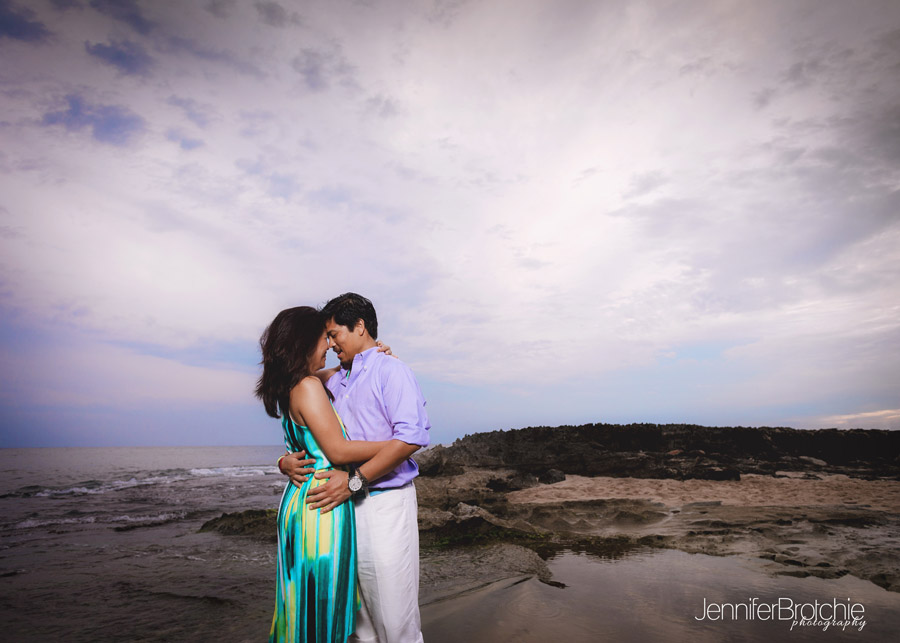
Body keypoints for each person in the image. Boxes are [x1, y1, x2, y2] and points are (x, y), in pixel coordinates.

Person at [279, 293, 430, 643]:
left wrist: (355, 481)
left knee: (396, 620)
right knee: (358, 623)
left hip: (384, 505)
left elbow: (410, 436)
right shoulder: (332, 380)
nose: (330, 344)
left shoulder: (393, 371)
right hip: (343, 510)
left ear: (359, 327)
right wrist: (284, 460)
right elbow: (306, 429)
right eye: (327, 337)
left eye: (335, 335)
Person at [256, 306, 396, 643]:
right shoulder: (307, 385)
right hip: (321, 509)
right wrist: (396, 444)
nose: (330, 345)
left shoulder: (292, 384)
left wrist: (370, 355)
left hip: (301, 502)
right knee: (322, 607)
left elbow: (305, 441)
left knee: (302, 604)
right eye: (324, 338)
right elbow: (337, 451)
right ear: (305, 343)